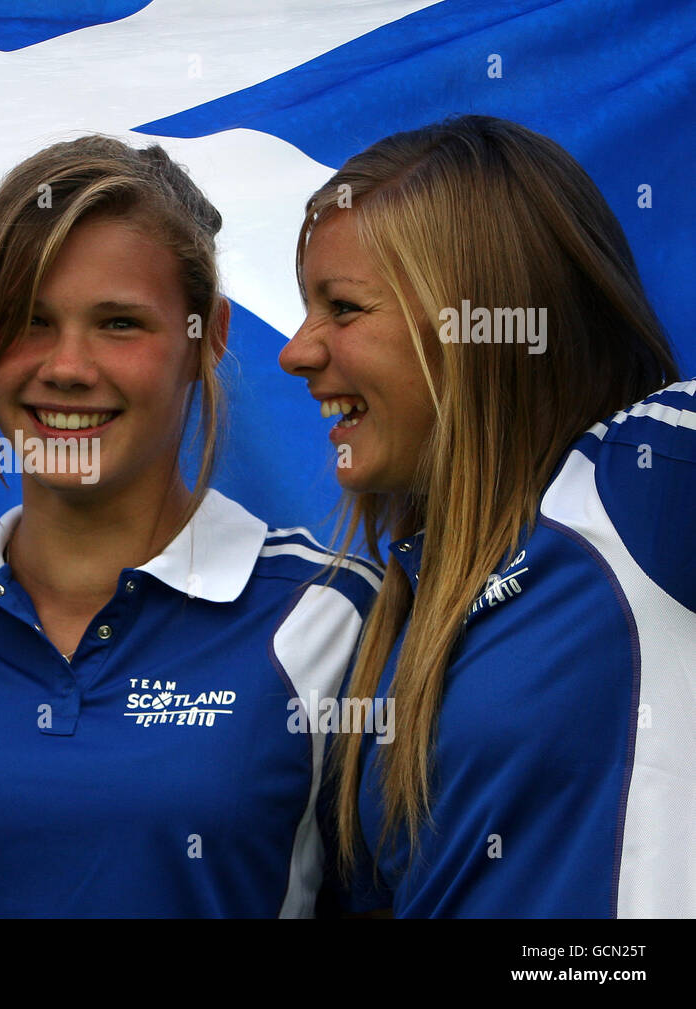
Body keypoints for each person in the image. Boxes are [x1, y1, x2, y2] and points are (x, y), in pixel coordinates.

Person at [0, 135, 381, 917]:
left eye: (120, 323)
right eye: (27, 320)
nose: (66, 366)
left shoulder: (333, 615)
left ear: (210, 338)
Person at [279, 115, 694, 917]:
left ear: (481, 322)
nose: (297, 351)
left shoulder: (646, 489)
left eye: (343, 307)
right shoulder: (386, 627)